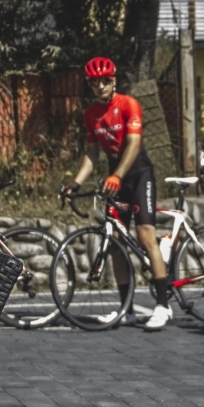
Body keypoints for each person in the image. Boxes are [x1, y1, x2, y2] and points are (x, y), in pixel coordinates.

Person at [61, 56, 173, 331]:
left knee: (145, 236)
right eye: (95, 83)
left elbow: (134, 144)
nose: (100, 87)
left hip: (138, 174)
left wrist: (117, 175)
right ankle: (128, 310)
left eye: (105, 81)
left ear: (114, 81)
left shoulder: (128, 104)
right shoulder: (90, 114)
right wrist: (74, 183)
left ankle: (162, 305)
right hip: (117, 178)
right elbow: (91, 153)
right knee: (114, 243)